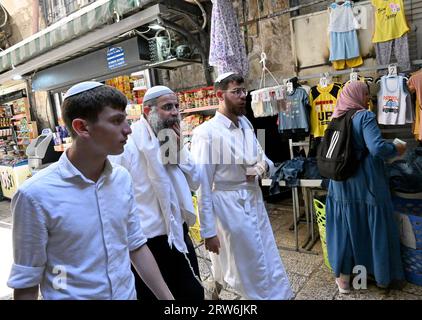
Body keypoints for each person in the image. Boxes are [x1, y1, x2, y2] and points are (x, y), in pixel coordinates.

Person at [7, 82, 174, 300]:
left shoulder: (121, 178)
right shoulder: (35, 195)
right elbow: (27, 282)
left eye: (125, 119)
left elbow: (135, 245)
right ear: (82, 127)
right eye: (116, 120)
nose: (128, 129)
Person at [190, 72, 293, 300]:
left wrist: (259, 168)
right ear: (220, 95)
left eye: (243, 91)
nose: (243, 96)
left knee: (264, 252)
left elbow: (263, 158)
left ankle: (276, 295)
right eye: (236, 92)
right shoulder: (205, 134)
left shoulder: (246, 123)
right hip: (228, 206)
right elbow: (203, 186)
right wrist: (207, 231)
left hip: (253, 198)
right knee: (245, 262)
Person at [110, 85, 204, 300]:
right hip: (146, 245)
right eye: (167, 107)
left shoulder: (170, 140)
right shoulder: (129, 145)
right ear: (147, 111)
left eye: (177, 106)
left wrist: (179, 150)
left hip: (178, 234)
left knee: (193, 294)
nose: (174, 112)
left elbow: (194, 181)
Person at [325, 81, 406, 293]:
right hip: (366, 183)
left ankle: (344, 281)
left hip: (340, 183)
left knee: (345, 230)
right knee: (371, 228)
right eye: (366, 95)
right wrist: (396, 147)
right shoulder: (365, 116)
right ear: (359, 96)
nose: (368, 99)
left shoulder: (336, 116)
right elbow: (377, 148)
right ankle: (380, 276)